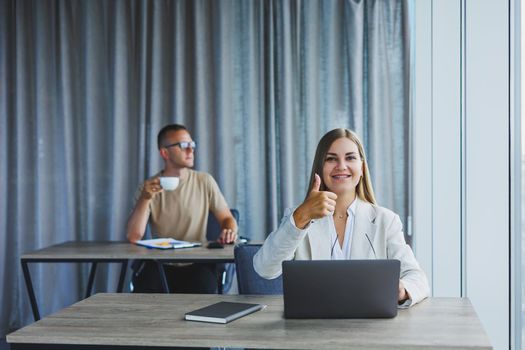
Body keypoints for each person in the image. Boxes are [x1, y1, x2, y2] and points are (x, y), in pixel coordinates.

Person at [254, 128, 429, 307]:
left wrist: (402, 289)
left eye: (350, 157)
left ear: (361, 167)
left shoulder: (386, 220)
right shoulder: (298, 215)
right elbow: (265, 268)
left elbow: (418, 279)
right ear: (320, 168)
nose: (341, 166)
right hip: (310, 327)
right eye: (331, 159)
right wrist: (301, 216)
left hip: (370, 326)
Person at [126, 123, 238, 293]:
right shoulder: (148, 187)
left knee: (205, 289)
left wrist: (229, 230)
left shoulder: (204, 181)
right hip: (160, 264)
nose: (190, 150)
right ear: (165, 153)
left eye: (192, 145)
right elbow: (134, 236)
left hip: (197, 263)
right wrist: (145, 198)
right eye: (184, 146)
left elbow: (227, 218)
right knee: (143, 292)